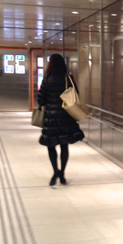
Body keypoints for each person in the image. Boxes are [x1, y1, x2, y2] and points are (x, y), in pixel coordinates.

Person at [38, 53, 85, 185]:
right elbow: (76, 94)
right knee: (64, 145)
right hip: (65, 116)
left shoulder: (47, 79)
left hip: (51, 117)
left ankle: (55, 171)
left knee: (51, 145)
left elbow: (41, 99)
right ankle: (62, 174)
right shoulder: (68, 78)